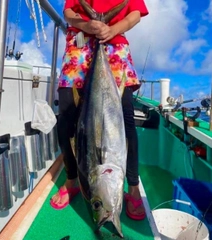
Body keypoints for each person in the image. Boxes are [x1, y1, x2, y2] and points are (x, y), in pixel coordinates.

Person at [50, 0, 149, 220]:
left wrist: (112, 29)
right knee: (66, 118)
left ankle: (133, 186)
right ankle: (71, 178)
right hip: (80, 44)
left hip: (115, 44)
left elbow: (135, 14)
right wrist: (87, 25)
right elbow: (68, 11)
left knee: (125, 120)